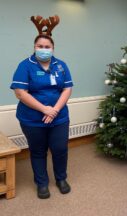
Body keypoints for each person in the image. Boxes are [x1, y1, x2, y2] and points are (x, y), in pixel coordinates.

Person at [10, 19, 73, 199]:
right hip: (32, 118)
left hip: (59, 117)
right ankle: (42, 183)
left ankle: (61, 179)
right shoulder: (25, 65)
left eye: (47, 46)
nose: (43, 49)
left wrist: (54, 110)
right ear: (34, 46)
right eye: (40, 45)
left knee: (60, 149)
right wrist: (45, 109)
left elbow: (67, 88)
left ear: (53, 48)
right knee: (38, 151)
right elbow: (20, 93)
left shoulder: (60, 65)